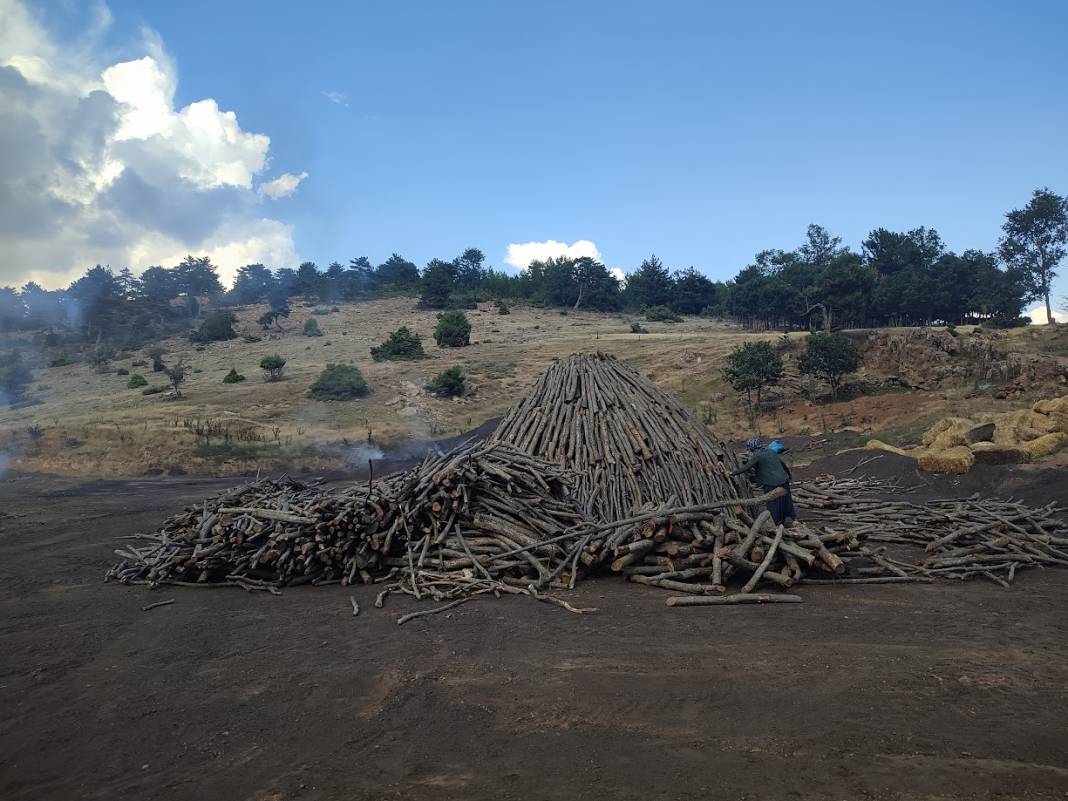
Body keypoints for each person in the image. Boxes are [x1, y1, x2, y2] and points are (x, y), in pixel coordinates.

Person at [727, 436, 798, 526]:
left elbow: (746, 467)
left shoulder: (757, 455)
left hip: (771, 483)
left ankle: (775, 523)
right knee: (786, 500)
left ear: (752, 447)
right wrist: (788, 475)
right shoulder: (771, 451)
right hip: (784, 480)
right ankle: (793, 519)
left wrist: (732, 473)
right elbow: (783, 464)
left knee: (772, 504)